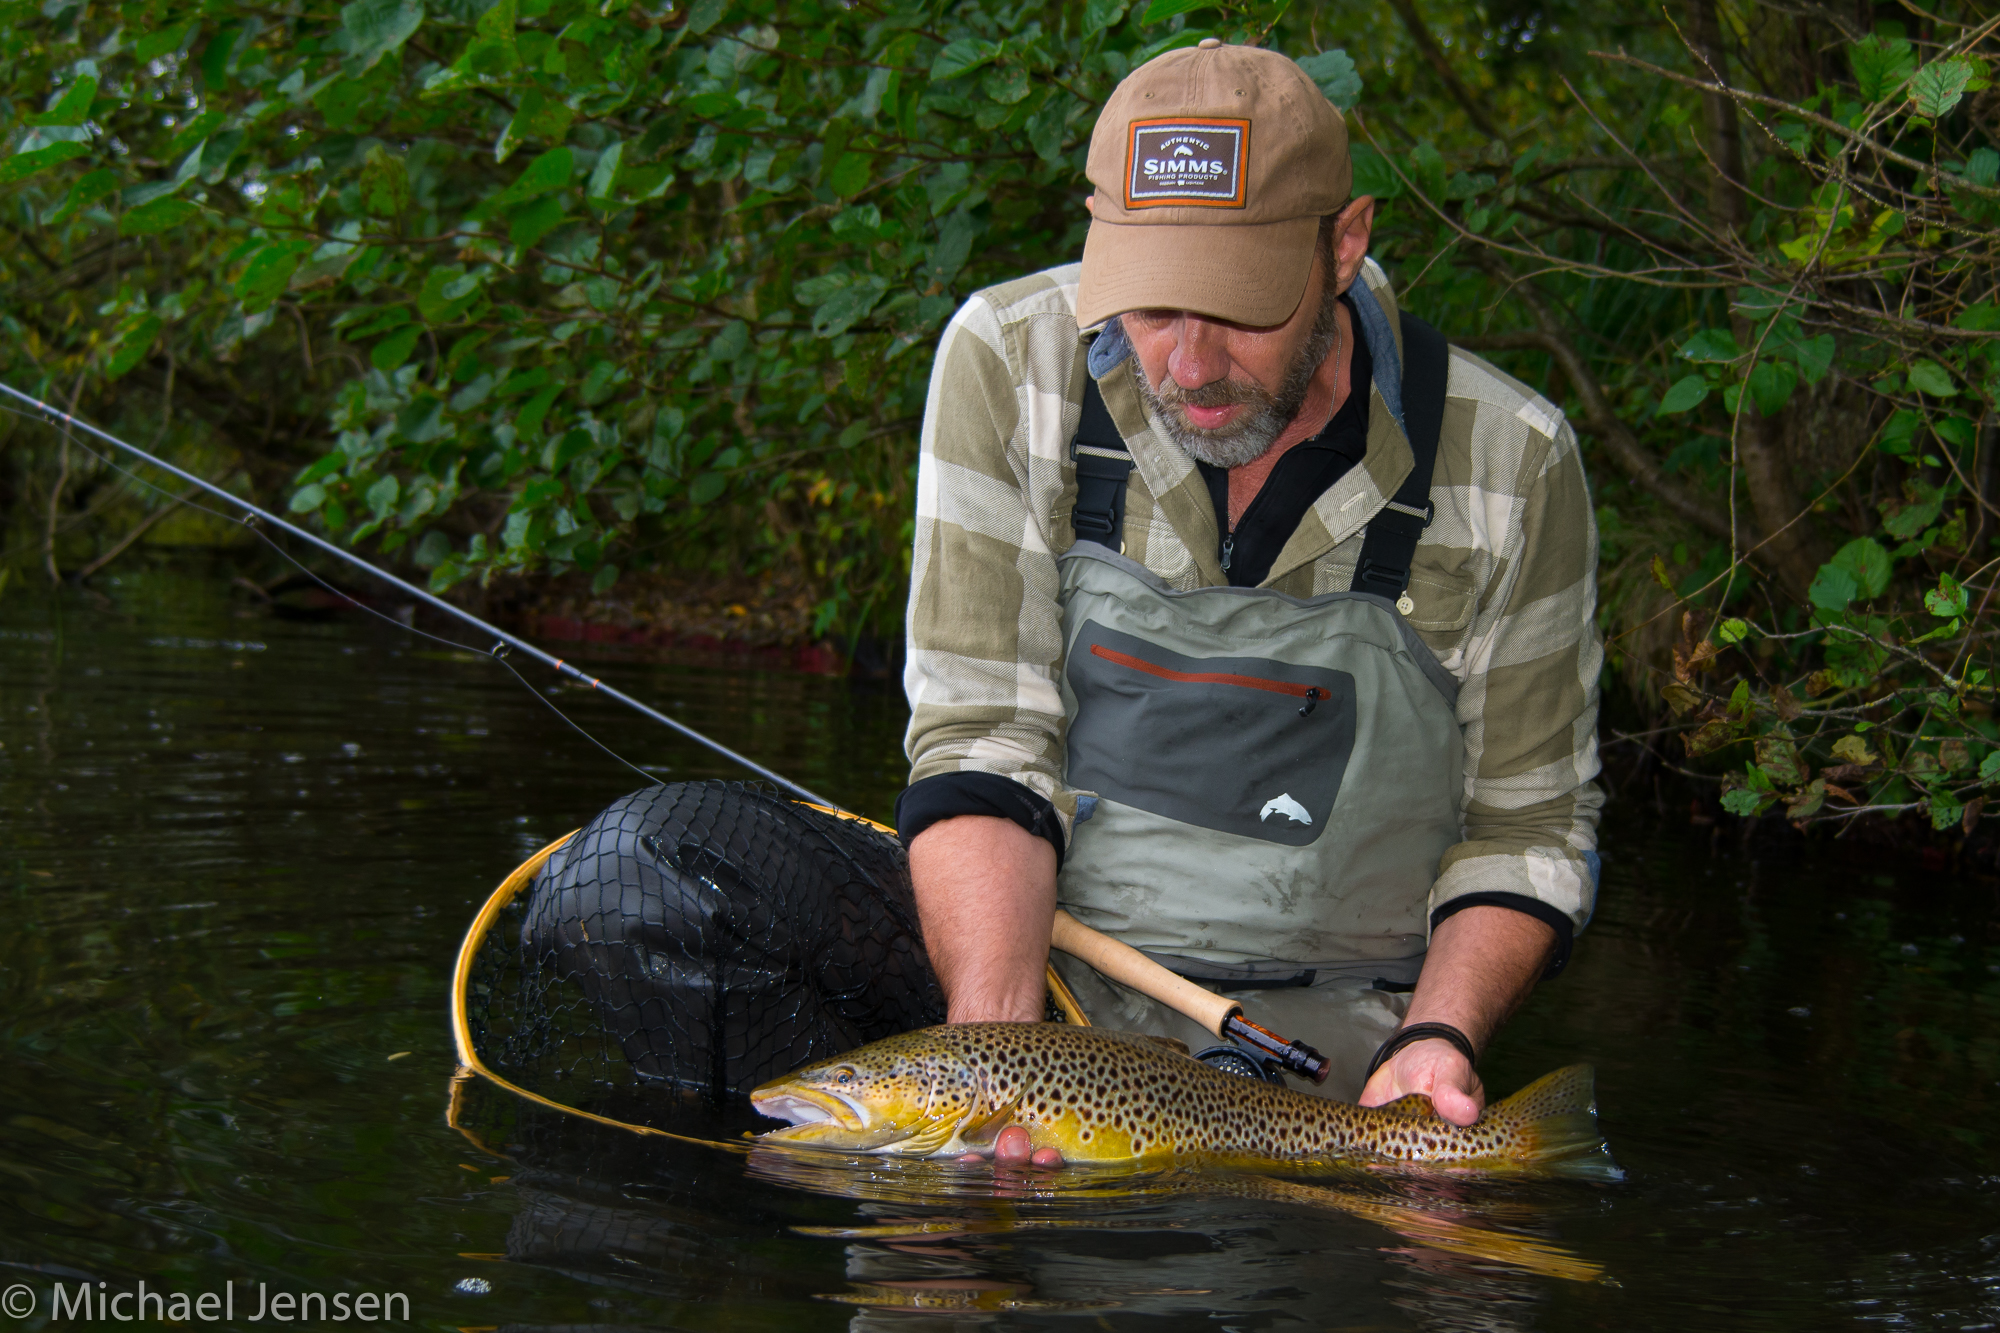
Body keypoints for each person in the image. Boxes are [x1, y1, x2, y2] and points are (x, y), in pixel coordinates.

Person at [894, 39, 1603, 1138]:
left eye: (1234, 308)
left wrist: (1443, 1034)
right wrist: (998, 1060)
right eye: (1150, 307)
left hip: (1348, 1055)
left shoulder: (1513, 458)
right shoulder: (1006, 359)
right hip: (1054, 991)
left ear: (1342, 244)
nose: (1186, 363)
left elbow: (1528, 825)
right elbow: (983, 740)